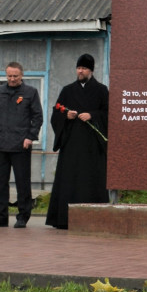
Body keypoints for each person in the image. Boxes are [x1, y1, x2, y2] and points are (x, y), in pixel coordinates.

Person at [46, 54, 109, 230]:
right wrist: (66, 115)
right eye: (78, 68)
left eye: (84, 68)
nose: (80, 71)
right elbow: (56, 114)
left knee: (90, 180)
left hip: (92, 146)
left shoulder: (102, 90)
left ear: (91, 70)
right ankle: (64, 219)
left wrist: (93, 115)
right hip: (72, 143)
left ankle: (95, 220)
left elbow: (108, 113)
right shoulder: (67, 90)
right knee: (69, 180)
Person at [0, 61, 43, 228]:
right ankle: (1, 216)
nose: (12, 79)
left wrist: (30, 136)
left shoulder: (30, 92)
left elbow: (37, 117)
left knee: (22, 182)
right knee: (0, 182)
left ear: (22, 75)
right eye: (9, 76)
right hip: (1, 143)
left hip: (21, 145)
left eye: (15, 76)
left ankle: (23, 216)